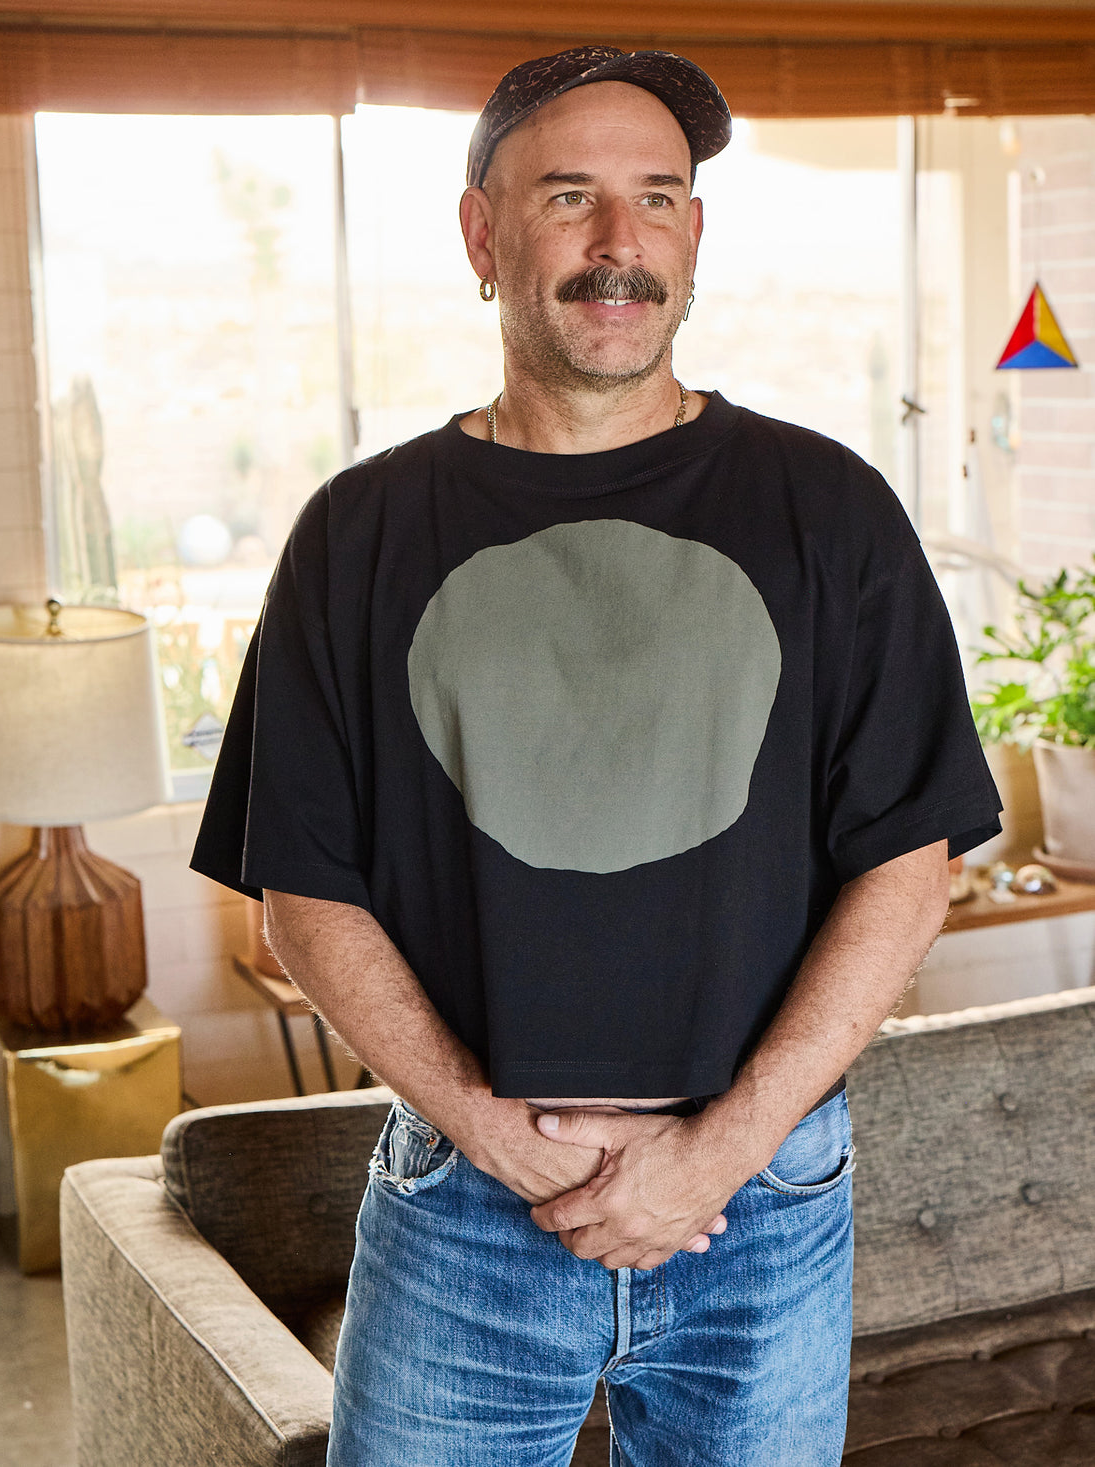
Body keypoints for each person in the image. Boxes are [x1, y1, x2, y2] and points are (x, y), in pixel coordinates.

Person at [192, 44, 1002, 1467]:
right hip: (466, 1207)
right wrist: (497, 1136)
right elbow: (305, 897)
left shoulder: (832, 510)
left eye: (659, 197)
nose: (619, 241)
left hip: (761, 1206)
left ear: (695, 235)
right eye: (568, 196)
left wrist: (717, 1151)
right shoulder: (356, 536)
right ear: (481, 234)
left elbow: (906, 870)